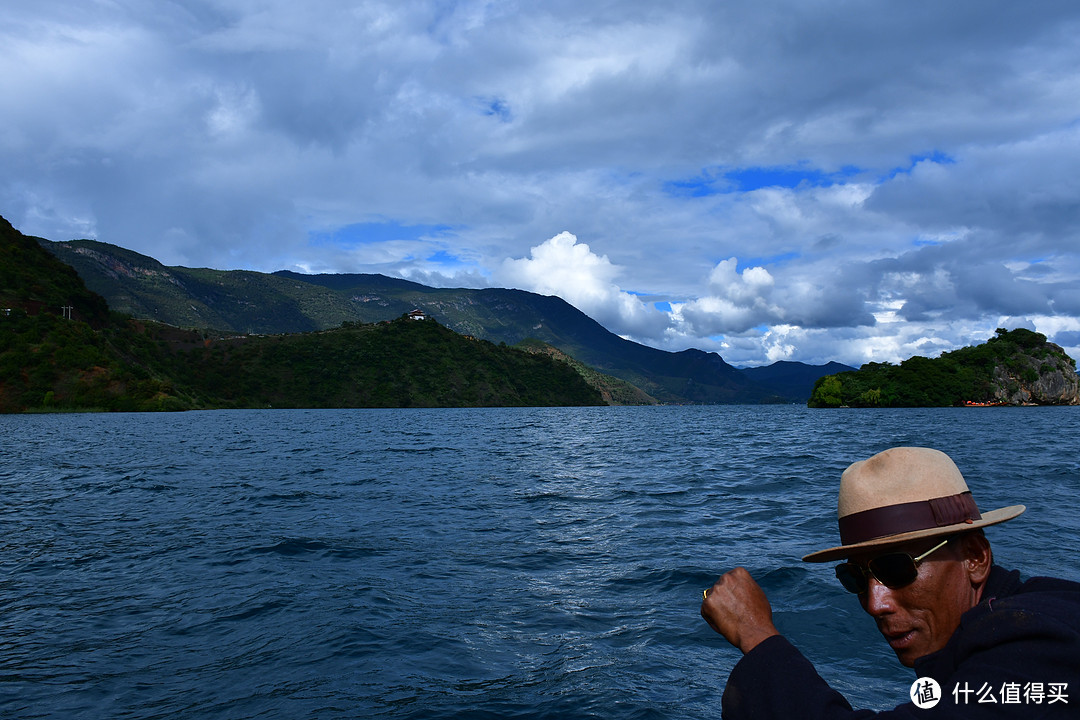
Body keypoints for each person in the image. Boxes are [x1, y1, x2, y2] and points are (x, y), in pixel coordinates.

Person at [701, 446, 1080, 718]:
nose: (874, 603)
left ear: (975, 558)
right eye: (855, 577)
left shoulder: (1038, 642)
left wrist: (757, 636)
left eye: (898, 569)